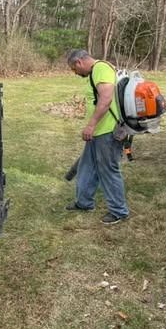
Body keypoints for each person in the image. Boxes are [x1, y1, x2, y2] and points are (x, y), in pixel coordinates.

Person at [65, 49, 129, 225]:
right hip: (98, 132)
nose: (75, 73)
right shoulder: (96, 71)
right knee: (87, 166)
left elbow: (106, 99)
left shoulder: (101, 68)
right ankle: (84, 203)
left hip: (108, 131)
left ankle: (119, 211)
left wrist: (91, 124)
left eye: (73, 69)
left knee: (108, 170)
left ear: (79, 62)